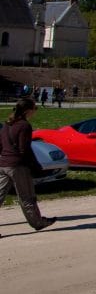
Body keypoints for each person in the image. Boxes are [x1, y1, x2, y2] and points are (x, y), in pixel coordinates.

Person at [0, 99, 56, 234]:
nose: (35, 111)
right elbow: (24, 149)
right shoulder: (24, 126)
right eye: (34, 109)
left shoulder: (7, 125)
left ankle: (38, 221)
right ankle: (38, 222)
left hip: (3, 164)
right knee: (26, 196)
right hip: (18, 165)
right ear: (27, 111)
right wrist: (35, 165)